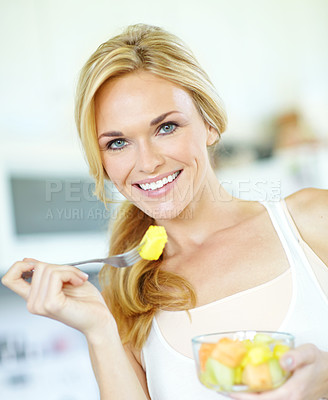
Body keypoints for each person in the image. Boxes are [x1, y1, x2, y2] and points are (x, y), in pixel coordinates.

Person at [2, 24, 328, 400]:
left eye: (166, 127)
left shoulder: (311, 222)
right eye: (118, 142)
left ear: (209, 123)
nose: (148, 163)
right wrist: (98, 329)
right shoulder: (125, 295)